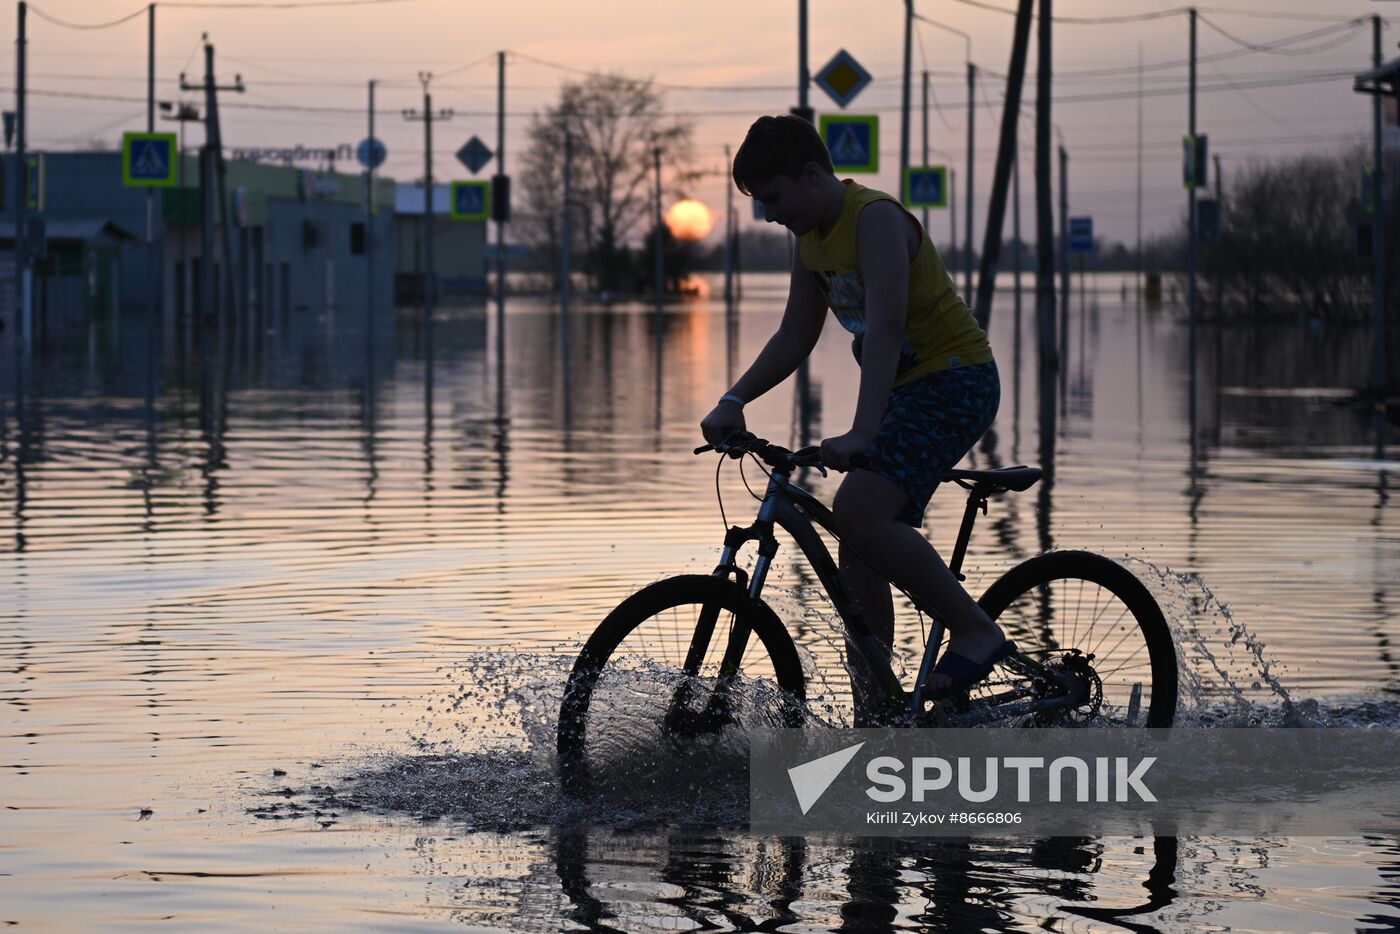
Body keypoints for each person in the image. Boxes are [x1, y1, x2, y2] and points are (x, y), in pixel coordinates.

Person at [699, 114, 1012, 717]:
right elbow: (795, 334)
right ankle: (879, 710)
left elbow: (889, 326)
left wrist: (864, 432)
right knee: (857, 545)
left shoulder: (875, 220)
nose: (767, 215)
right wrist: (733, 399)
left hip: (956, 379)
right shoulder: (810, 238)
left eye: (772, 198)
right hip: (908, 390)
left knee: (859, 511)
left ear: (813, 174)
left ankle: (977, 631)